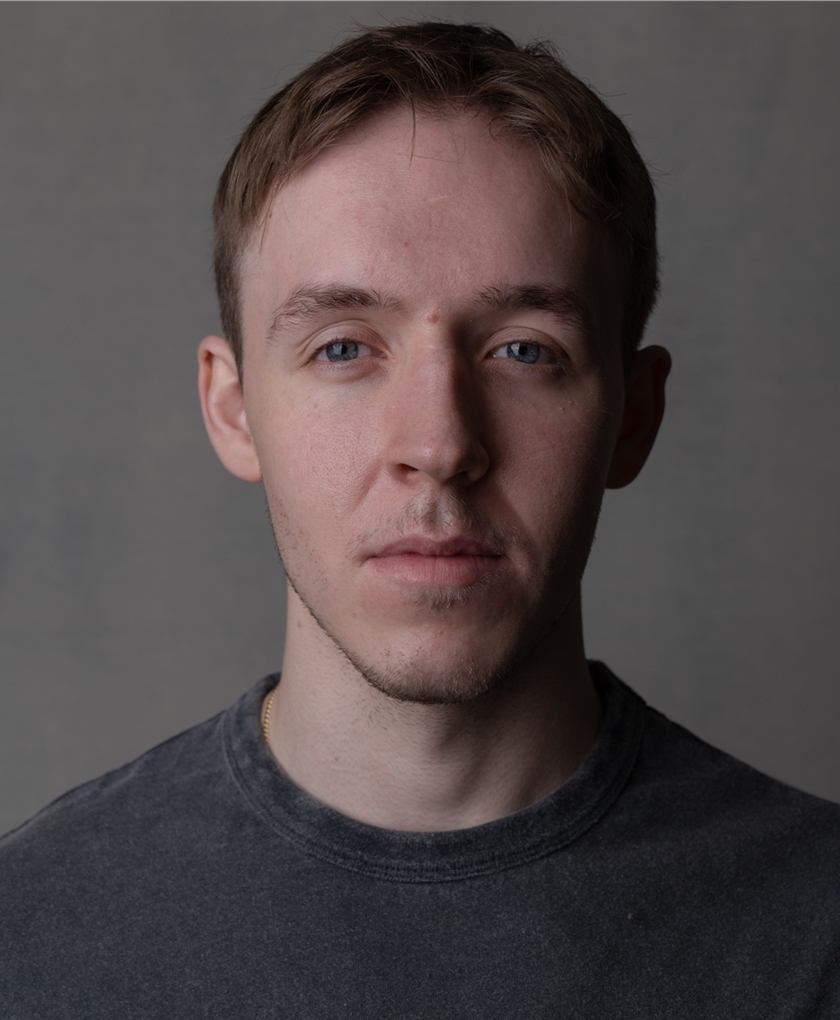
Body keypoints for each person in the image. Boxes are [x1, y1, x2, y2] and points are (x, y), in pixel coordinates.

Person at [1, 21, 838, 1018]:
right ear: (232, 409)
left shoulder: (818, 931)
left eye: (524, 351)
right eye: (344, 348)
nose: (440, 445)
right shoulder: (32, 936)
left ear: (633, 416)